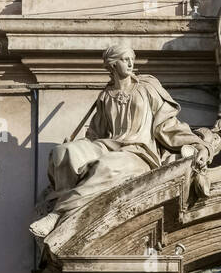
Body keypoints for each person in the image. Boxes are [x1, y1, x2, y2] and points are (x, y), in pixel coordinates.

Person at [34, 43, 209, 237]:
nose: (130, 63)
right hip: (109, 145)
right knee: (64, 152)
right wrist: (73, 145)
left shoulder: (147, 87)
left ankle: (59, 214)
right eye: (125, 59)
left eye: (132, 59)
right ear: (113, 65)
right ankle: (68, 205)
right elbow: (95, 134)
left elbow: (167, 126)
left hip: (138, 154)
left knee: (105, 165)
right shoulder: (106, 96)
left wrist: (198, 145)